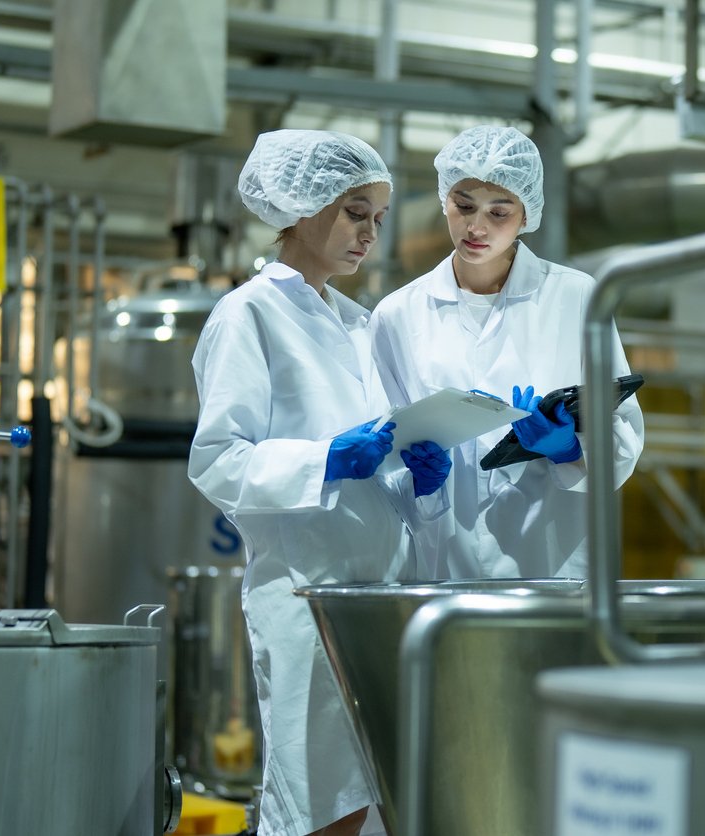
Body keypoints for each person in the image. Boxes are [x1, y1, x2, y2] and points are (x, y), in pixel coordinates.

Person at [188, 129, 451, 836]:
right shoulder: (250, 315)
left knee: (378, 804)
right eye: (355, 212)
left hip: (379, 600)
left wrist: (419, 478)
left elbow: (375, 462)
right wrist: (324, 461)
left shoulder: (362, 327)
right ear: (301, 208)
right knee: (317, 808)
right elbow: (217, 459)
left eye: (377, 219)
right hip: (306, 598)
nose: (369, 234)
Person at [370, 124, 644, 579]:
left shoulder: (576, 298)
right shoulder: (397, 314)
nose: (476, 227)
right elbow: (382, 448)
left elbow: (624, 435)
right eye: (463, 206)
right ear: (444, 201)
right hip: (442, 559)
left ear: (526, 216)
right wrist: (417, 479)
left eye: (499, 212)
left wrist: (568, 449)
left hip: (551, 560)